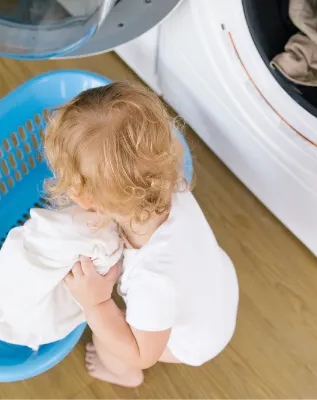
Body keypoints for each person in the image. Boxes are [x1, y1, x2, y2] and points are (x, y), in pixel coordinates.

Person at [42, 81, 239, 387]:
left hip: (192, 340)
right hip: (216, 289)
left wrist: (97, 304)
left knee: (106, 335)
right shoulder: (170, 185)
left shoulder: (152, 282)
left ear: (83, 198)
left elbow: (141, 353)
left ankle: (124, 376)